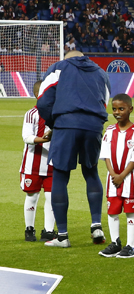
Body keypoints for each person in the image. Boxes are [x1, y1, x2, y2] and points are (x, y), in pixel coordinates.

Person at [37, 50, 111, 248]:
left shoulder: (59, 67)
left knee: (60, 176)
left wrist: (55, 123)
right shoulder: (101, 72)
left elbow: (43, 99)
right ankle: (96, 225)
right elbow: (104, 101)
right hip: (93, 127)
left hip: (66, 125)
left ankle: (62, 236)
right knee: (91, 171)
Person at [97, 94, 134, 259]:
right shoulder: (109, 131)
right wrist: (113, 174)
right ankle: (115, 242)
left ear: (130, 109)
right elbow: (106, 155)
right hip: (113, 180)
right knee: (113, 211)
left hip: (130, 179)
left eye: (121, 109)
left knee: (130, 212)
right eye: (115, 109)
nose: (117, 112)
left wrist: (122, 176)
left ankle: (131, 246)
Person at [21, 81, 54, 242]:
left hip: (53, 164)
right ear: (37, 95)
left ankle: (48, 230)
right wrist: (44, 138)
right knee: (32, 196)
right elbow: (26, 137)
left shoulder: (56, 114)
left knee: (51, 197)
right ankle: (29, 229)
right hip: (32, 164)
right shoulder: (31, 114)